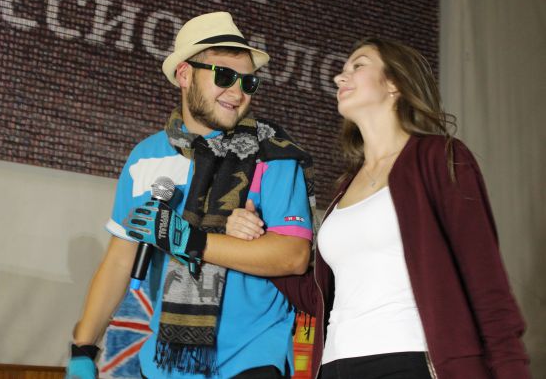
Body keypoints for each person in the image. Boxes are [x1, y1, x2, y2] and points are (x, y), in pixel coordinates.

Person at [225, 38, 531, 378]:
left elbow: (486, 284)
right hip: (334, 365)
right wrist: (258, 240)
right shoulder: (347, 187)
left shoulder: (438, 158)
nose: (340, 77)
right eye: (341, 70)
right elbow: (320, 298)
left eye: (358, 65)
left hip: (411, 360)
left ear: (394, 83)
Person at [65, 11, 317, 379]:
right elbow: (121, 259)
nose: (238, 93)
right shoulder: (146, 157)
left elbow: (293, 256)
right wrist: (83, 348)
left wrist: (190, 240)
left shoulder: (274, 153)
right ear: (185, 75)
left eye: (249, 82)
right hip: (165, 362)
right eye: (224, 76)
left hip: (252, 358)